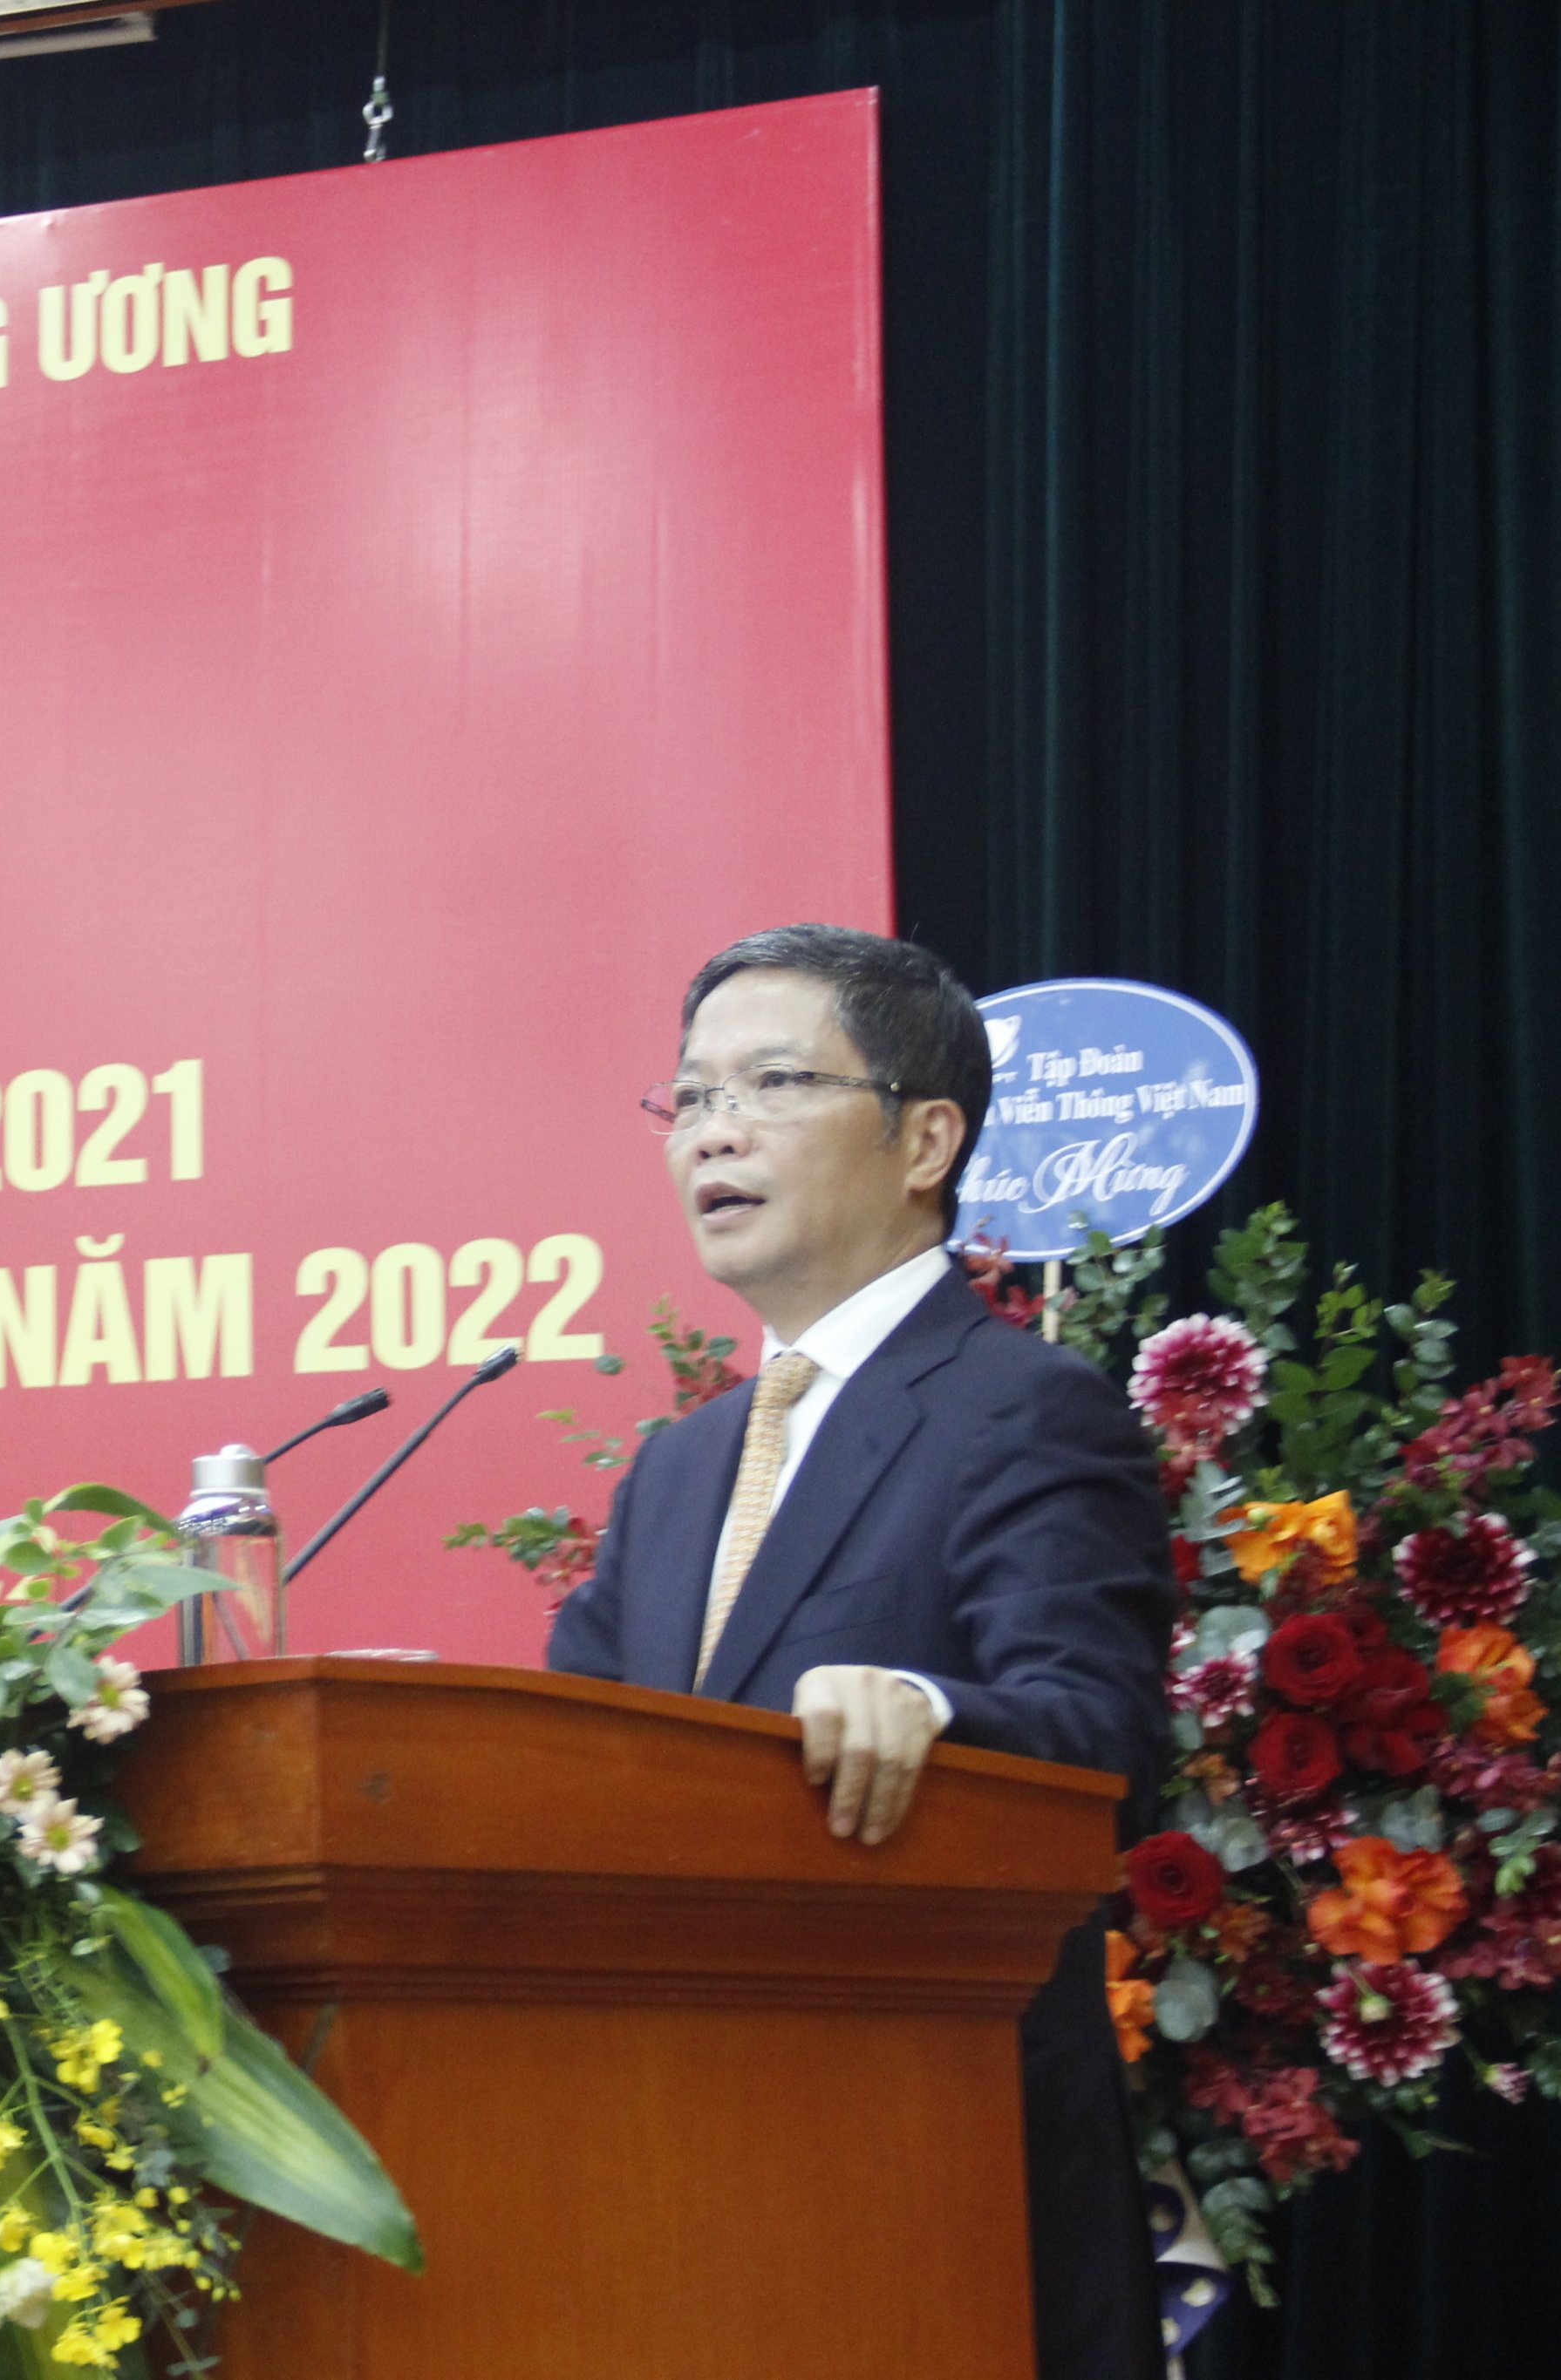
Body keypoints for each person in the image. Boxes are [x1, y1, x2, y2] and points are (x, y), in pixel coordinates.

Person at [545, 922, 1172, 2380]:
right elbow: (572, 1758)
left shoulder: (1023, 1407)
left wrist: (930, 1709)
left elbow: (1105, 1739)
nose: (715, 1131)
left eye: (772, 1083)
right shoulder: (678, 1467)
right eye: (692, 1097)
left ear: (925, 1140)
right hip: (669, 2173)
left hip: (929, 2171)